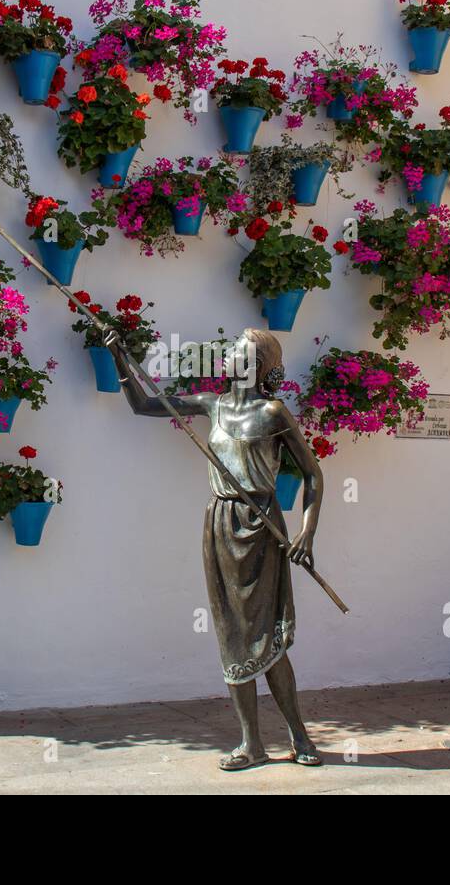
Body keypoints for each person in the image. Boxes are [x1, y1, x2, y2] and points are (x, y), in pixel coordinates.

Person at [105, 326, 324, 770]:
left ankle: (298, 734)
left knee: (270, 639)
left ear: (255, 365)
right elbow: (144, 404)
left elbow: (313, 475)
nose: (225, 358)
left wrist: (306, 533)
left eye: (235, 353)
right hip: (221, 525)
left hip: (263, 528)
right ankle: (251, 743)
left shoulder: (274, 413)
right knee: (233, 637)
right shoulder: (213, 404)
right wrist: (119, 359)